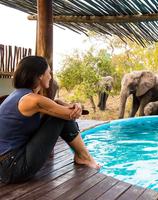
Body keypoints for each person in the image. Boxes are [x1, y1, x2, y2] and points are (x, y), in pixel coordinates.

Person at [0, 56, 100, 184]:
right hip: (13, 168)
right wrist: (78, 106)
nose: (51, 77)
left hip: (5, 165)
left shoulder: (18, 95)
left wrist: (60, 103)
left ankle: (83, 156)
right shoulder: (33, 100)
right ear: (40, 75)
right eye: (49, 72)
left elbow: (52, 107)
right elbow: (69, 115)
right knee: (58, 118)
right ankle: (84, 157)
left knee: (56, 113)